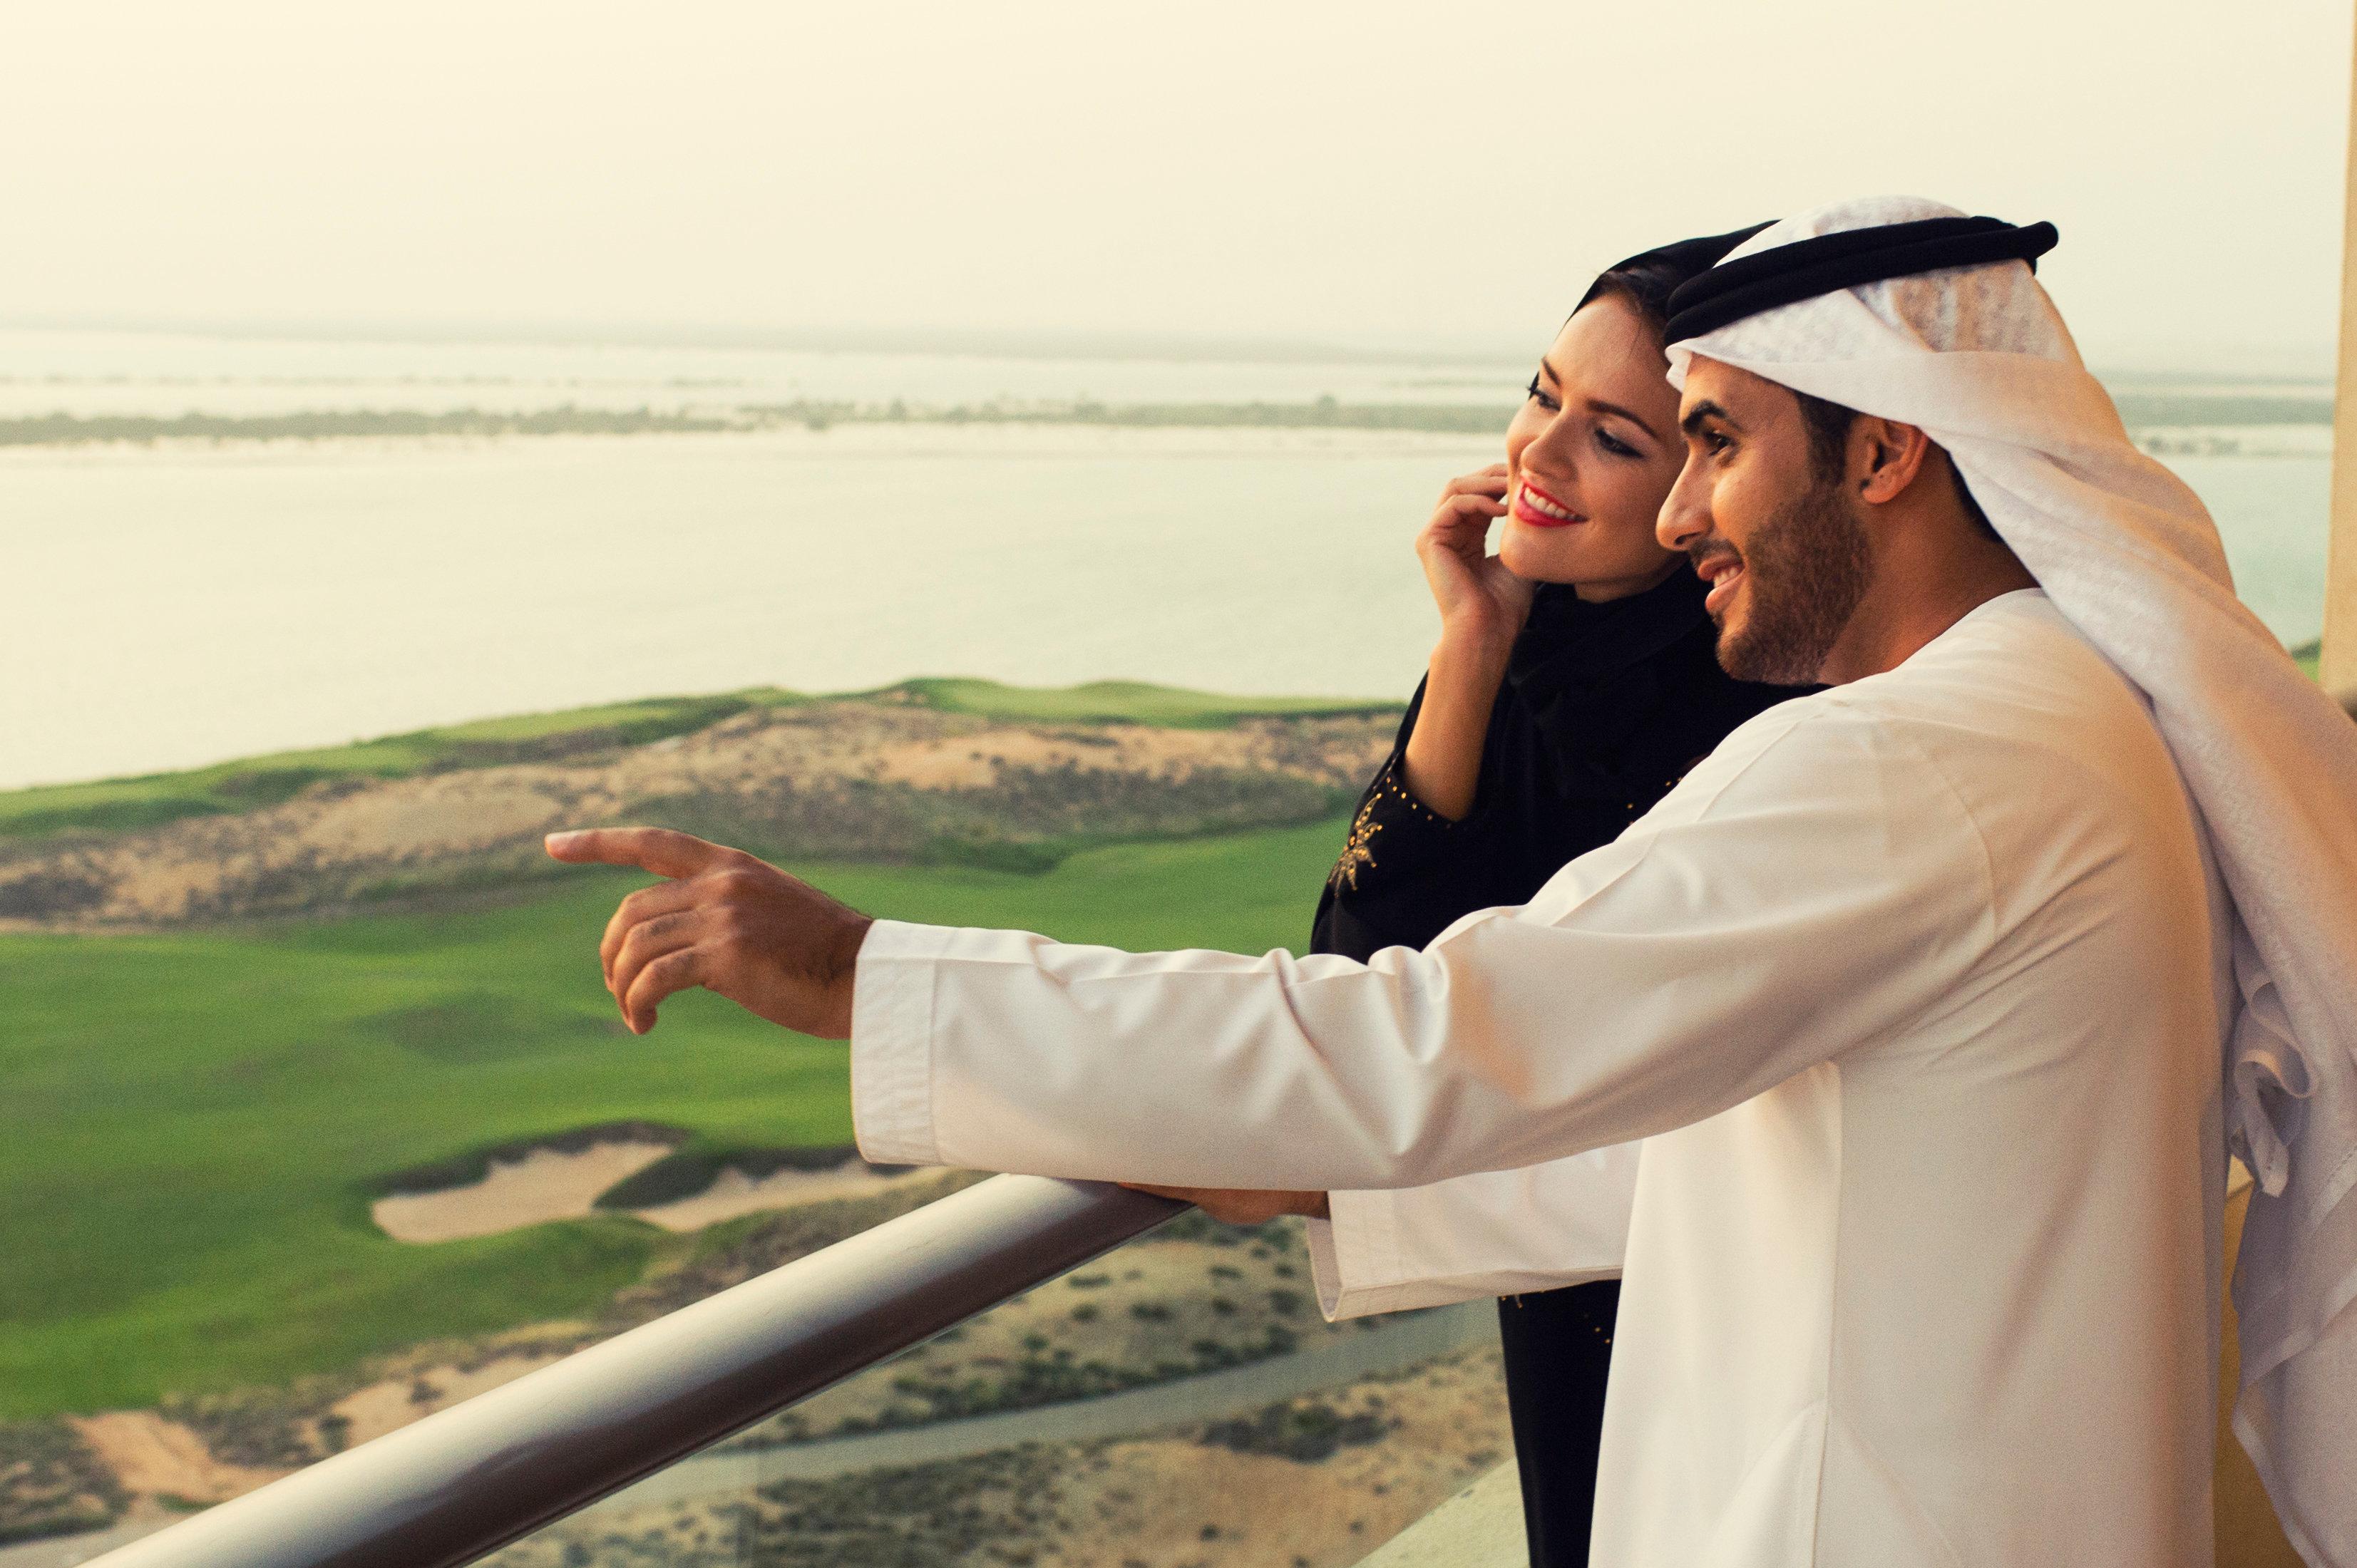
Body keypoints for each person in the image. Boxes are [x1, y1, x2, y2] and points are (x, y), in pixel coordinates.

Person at [548, 197, 2357, 1565]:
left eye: (1713, 441)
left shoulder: (1916, 764)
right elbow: (1787, 1149)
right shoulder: (2067, 718)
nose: (1677, 515)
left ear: (1885, 452)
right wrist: (1335, 1193)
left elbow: (1424, 1037)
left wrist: (862, 968)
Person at [1191, 226, 1800, 1568]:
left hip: (1723, 1291)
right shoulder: (1531, 636)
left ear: (1713, 469)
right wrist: (1471, 640)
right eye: (1541, 397)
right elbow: (1363, 959)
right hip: (1556, 1287)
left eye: (1614, 438)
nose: (1536, 455)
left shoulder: (1773, 695)